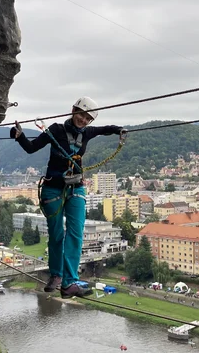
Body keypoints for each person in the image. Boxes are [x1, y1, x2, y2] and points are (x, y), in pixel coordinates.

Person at [10, 96, 125, 298]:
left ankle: (69, 281)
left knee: (76, 233)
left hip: (76, 188)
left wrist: (118, 129)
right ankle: (56, 275)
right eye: (81, 115)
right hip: (53, 188)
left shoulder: (87, 132)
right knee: (56, 235)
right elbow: (31, 147)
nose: (83, 120)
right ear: (73, 110)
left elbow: (104, 129)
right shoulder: (55, 130)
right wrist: (18, 135)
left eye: (87, 118)